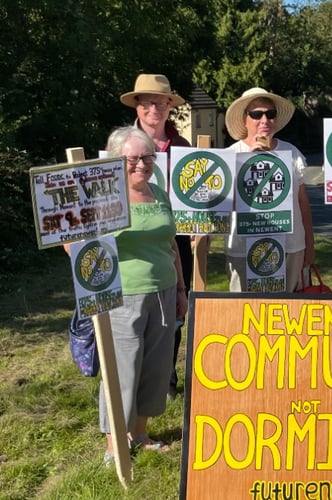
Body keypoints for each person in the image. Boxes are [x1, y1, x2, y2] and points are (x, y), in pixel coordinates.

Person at [82, 126, 188, 465]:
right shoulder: (103, 198)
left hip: (165, 290)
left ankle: (140, 434)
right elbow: (76, 243)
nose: (141, 165)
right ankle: (115, 444)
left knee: (155, 368)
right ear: (115, 160)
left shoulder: (159, 193)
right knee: (122, 370)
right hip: (121, 295)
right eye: (133, 159)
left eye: (147, 158)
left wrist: (182, 289)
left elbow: (171, 243)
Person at [121, 73, 192, 402]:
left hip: (177, 243)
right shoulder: (119, 147)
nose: (155, 109)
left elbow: (201, 194)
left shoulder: (183, 147)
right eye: (148, 102)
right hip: (132, 249)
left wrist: (202, 224)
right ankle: (130, 385)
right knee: (131, 324)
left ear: (169, 107)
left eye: (161, 103)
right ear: (137, 106)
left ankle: (166, 377)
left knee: (174, 313)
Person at [224, 87, 314, 292]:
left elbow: (303, 203)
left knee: (288, 314)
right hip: (242, 248)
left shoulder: (292, 153)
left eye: (270, 114)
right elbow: (224, 206)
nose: (264, 120)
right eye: (256, 114)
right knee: (245, 315)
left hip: (290, 246)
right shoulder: (230, 156)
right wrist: (250, 162)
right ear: (245, 119)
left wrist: (310, 244)